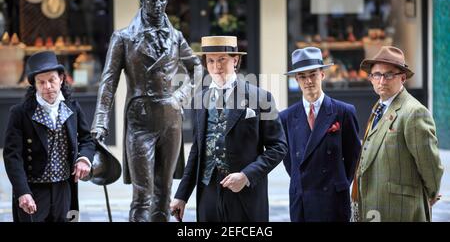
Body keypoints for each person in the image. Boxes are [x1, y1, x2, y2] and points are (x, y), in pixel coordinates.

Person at [91, 0, 202, 222]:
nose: (158, 3)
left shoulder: (176, 37)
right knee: (142, 194)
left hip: (171, 119)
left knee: (164, 194)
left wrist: (181, 96)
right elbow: (108, 81)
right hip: (140, 120)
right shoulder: (124, 37)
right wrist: (100, 120)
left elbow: (198, 69)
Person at [170, 36, 287, 222]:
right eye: (211, 61)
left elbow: (278, 147)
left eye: (222, 59)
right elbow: (197, 150)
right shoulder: (199, 100)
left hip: (246, 194)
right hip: (208, 193)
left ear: (236, 60)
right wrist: (181, 195)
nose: (216, 66)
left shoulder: (261, 97)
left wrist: (246, 176)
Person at [354, 46, 444, 222]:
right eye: (377, 75)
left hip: (402, 209)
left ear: (402, 78)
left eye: (389, 75)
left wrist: (430, 195)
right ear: (371, 78)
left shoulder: (414, 112)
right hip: (374, 209)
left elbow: (430, 165)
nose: (382, 80)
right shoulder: (379, 107)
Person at [3, 51, 95, 222]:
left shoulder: (73, 108)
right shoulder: (20, 113)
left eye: (51, 80)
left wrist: (84, 159)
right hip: (33, 190)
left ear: (61, 79)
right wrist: (22, 191)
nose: (47, 86)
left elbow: (87, 140)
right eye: (41, 82)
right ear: (35, 85)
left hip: (64, 187)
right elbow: (12, 156)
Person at [281, 47, 361, 222]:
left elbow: (354, 155)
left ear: (322, 75)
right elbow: (289, 161)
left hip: (333, 198)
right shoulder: (286, 117)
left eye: (313, 74)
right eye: (302, 76)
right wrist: (301, 182)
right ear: (296, 79)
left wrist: (339, 183)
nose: (308, 81)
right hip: (302, 197)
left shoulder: (344, 112)